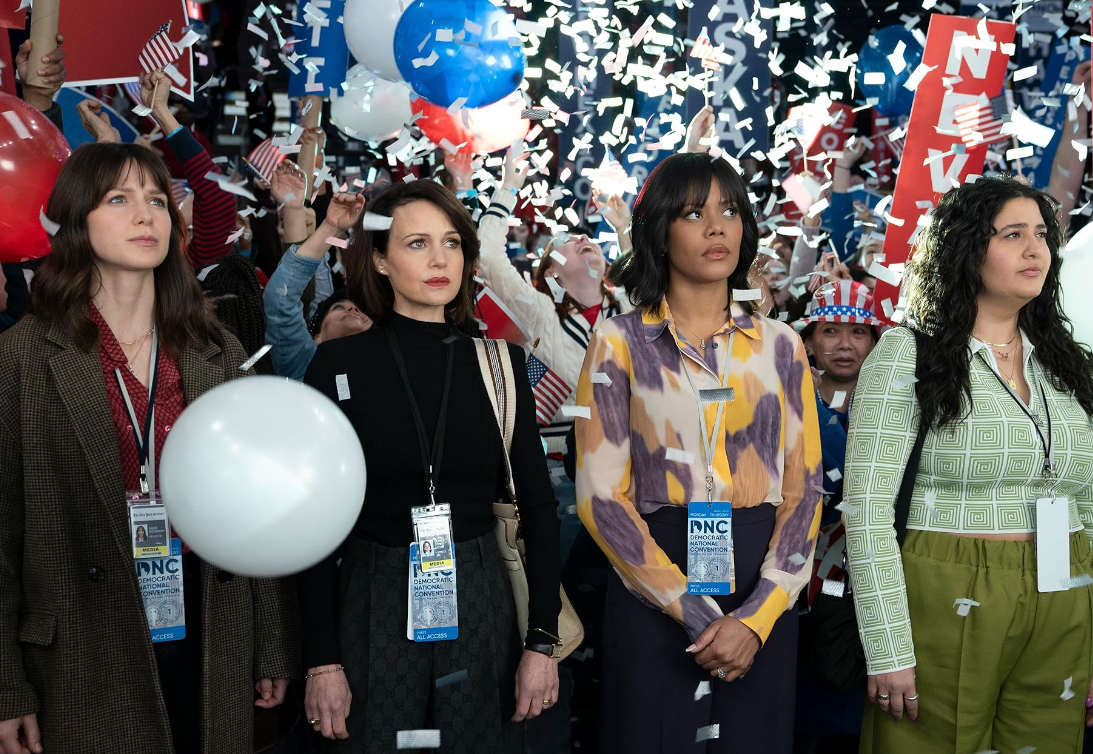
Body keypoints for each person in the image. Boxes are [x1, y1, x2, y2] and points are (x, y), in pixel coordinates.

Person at [0, 142, 299, 754]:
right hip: (83, 635)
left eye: (157, 201)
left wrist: (273, 640)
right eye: (119, 199)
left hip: (209, 616)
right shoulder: (22, 358)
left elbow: (257, 508)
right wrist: (7, 687)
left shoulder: (216, 348)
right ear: (76, 219)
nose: (146, 215)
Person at [298, 179, 562, 752]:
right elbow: (311, 523)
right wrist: (321, 661)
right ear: (381, 260)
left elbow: (540, 508)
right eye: (417, 243)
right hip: (372, 592)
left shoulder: (502, 365)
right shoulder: (337, 365)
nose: (440, 259)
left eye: (451, 242)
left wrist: (542, 643)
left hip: (481, 592)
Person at [574, 152, 823, 753]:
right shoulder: (619, 341)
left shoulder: (782, 345)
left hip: (762, 578)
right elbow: (600, 496)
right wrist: (688, 608)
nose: (717, 227)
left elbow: (805, 491)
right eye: (693, 213)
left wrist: (756, 618)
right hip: (652, 578)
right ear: (660, 232)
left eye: (730, 211)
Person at [842, 175, 1093, 752]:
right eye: (1013, 234)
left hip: (1066, 584)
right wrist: (887, 648)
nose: (1035, 250)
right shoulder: (907, 354)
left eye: (1042, 234)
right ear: (966, 248)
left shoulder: (1068, 363)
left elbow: (1088, 503)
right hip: (947, 583)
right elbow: (868, 511)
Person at [791, 281, 884, 753]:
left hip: (870, 586)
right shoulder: (787, 405)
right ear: (808, 342)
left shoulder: (898, 410)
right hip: (793, 585)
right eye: (830, 331)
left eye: (858, 332)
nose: (845, 344)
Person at [263, 166, 370, 380]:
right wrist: (330, 227)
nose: (352, 308)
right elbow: (281, 303)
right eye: (338, 307)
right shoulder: (304, 367)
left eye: (361, 308)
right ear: (316, 337)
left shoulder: (391, 370)